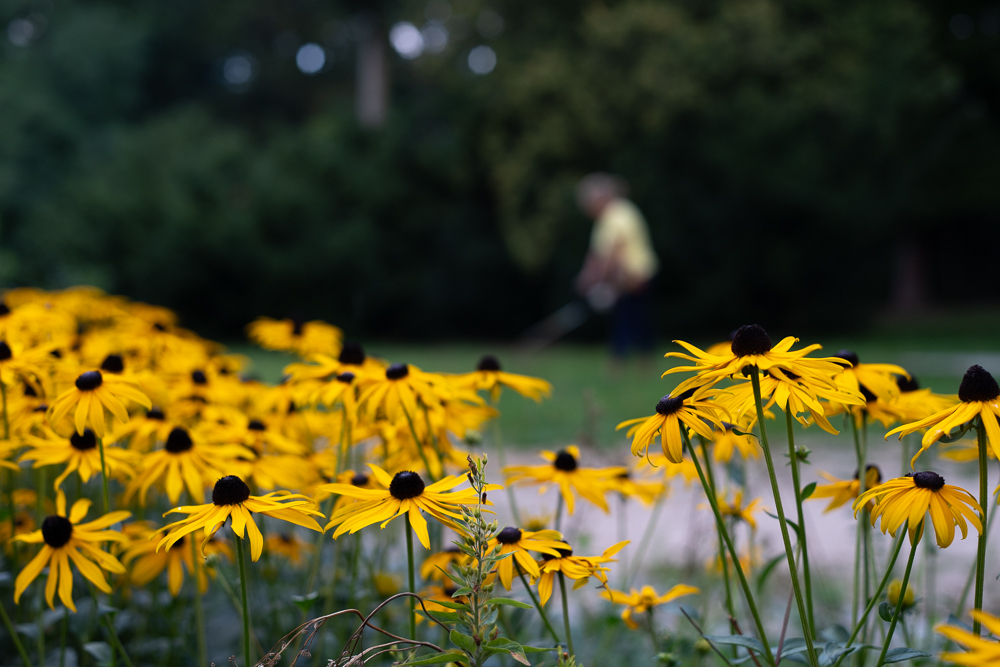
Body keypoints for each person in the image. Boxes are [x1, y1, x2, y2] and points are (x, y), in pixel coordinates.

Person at [574, 173, 659, 360]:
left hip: (632, 277)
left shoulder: (614, 216)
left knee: (627, 319)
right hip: (636, 274)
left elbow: (612, 252)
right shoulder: (623, 211)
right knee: (637, 319)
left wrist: (598, 280)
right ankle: (641, 361)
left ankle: (621, 361)